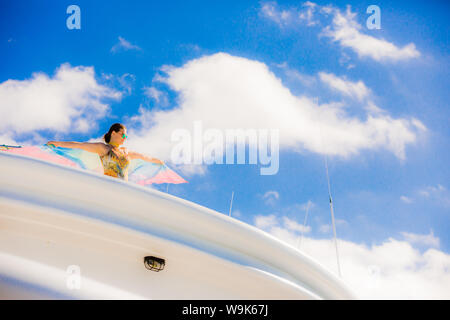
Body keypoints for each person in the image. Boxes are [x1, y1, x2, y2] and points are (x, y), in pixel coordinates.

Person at [46, 123, 164, 181]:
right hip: (110, 186)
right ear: (113, 133)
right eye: (122, 134)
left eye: (126, 136)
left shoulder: (126, 152)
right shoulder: (103, 148)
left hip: (125, 188)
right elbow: (79, 145)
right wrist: (58, 143)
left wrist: (158, 161)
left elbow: (143, 157)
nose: (124, 137)